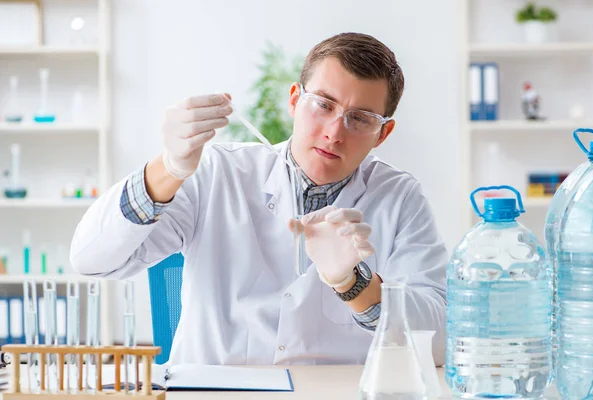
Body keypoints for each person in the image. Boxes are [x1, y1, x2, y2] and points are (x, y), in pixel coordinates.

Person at [70, 32, 448, 366]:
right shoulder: (218, 173)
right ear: (294, 101)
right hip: (213, 391)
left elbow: (438, 344)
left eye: (360, 118)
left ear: (382, 134)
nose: (334, 133)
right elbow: (91, 260)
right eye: (323, 104)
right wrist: (167, 169)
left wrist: (354, 283)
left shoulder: (399, 198)